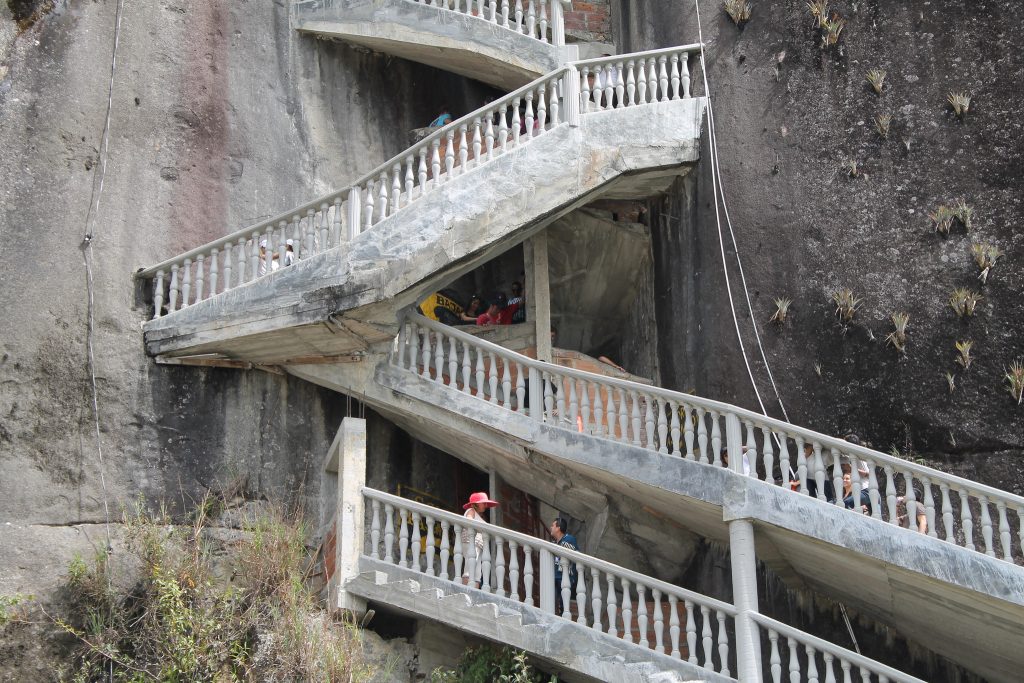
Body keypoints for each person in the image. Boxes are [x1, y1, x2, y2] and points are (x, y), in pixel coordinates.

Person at [461, 492, 499, 588]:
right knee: (470, 567)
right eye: (483, 503)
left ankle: (475, 590)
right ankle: (465, 589)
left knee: (477, 572)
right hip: (471, 542)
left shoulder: (479, 516)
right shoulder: (471, 511)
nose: (486, 505)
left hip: (478, 544)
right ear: (476, 503)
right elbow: (469, 520)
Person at [550, 517, 578, 615]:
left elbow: (576, 555)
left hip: (564, 577)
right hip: (555, 577)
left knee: (563, 604)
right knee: (552, 603)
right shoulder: (555, 542)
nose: (551, 528)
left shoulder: (569, 539)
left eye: (553, 525)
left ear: (558, 528)